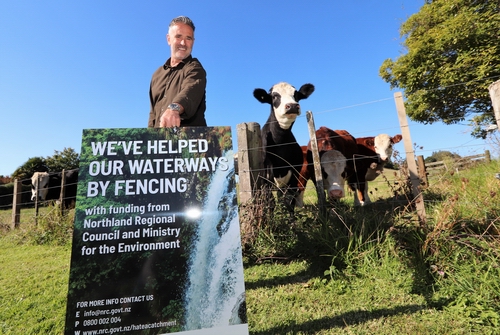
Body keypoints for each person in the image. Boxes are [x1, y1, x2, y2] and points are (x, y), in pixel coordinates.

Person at [148, 16, 207, 128]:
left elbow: (190, 91)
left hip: (190, 142)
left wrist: (174, 109)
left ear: (193, 42)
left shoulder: (195, 69)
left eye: (188, 38)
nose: (183, 43)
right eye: (178, 37)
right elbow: (153, 114)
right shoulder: (157, 75)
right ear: (169, 39)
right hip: (160, 142)